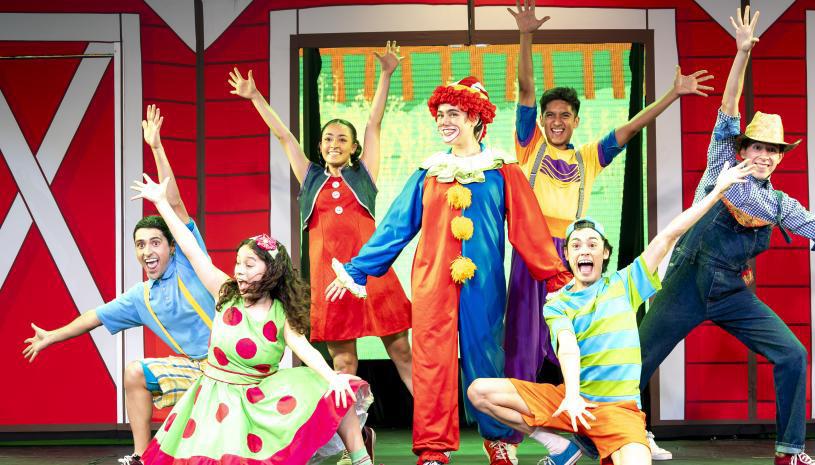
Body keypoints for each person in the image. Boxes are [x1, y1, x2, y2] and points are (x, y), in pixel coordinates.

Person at [637, 7, 815, 465]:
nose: (764, 156)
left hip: (730, 291)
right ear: (744, 149)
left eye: (773, 151)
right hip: (685, 283)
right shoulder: (722, 165)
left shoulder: (779, 206)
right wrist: (742, 52)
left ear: (779, 158)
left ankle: (789, 452)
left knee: (792, 355)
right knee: (633, 361)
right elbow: (729, 105)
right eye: (758, 147)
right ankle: (602, 440)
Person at [326, 77, 572, 465]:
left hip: (483, 283)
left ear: (475, 118)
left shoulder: (502, 169)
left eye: (453, 114)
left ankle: (498, 440)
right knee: (431, 364)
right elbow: (396, 226)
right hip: (432, 281)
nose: (444, 121)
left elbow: (528, 227)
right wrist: (358, 270)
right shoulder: (430, 171)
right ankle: (433, 448)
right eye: (440, 114)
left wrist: (556, 277)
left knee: (486, 360)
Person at [504, 3, 711, 459]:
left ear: (576, 120)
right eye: (550, 114)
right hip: (531, 258)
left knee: (589, 345)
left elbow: (631, 128)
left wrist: (673, 94)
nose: (557, 121)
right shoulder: (529, 146)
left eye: (565, 115)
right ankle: (521, 441)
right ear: (542, 120)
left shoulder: (588, 158)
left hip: (570, 259)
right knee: (522, 346)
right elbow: (525, 89)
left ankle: (617, 426)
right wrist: (525, 36)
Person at [467, 159, 752, 465]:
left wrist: (717, 191)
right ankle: (560, 447)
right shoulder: (557, 302)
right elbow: (567, 346)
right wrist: (572, 396)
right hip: (574, 402)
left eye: (592, 244)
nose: (584, 250)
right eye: (576, 245)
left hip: (619, 411)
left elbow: (669, 235)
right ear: (567, 255)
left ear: (604, 253)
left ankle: (608, 444)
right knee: (479, 391)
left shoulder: (626, 283)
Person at [132, 174, 375, 465]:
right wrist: (161, 202)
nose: (240, 271)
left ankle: (361, 459)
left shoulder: (280, 313)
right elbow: (191, 249)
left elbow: (305, 349)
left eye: (249, 265)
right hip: (215, 400)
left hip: (260, 401)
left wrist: (332, 378)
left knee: (335, 388)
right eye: (238, 263)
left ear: (270, 271)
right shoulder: (226, 293)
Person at [22, 105, 216, 465]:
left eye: (155, 242)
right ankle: (141, 457)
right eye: (140, 245)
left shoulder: (189, 262)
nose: (147, 251)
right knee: (134, 372)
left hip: (232, 364)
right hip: (197, 371)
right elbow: (93, 317)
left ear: (172, 247)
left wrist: (156, 147)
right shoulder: (142, 298)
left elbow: (175, 203)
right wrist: (52, 336)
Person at [229, 42, 412, 412]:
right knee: (343, 364)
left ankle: (433, 430)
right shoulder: (311, 177)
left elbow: (374, 123)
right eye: (328, 138)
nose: (334, 144)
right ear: (320, 145)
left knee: (402, 353)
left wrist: (386, 74)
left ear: (354, 147)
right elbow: (284, 136)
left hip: (372, 277)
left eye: (342, 139)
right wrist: (256, 97)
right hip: (331, 285)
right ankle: (354, 435)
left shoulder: (364, 176)